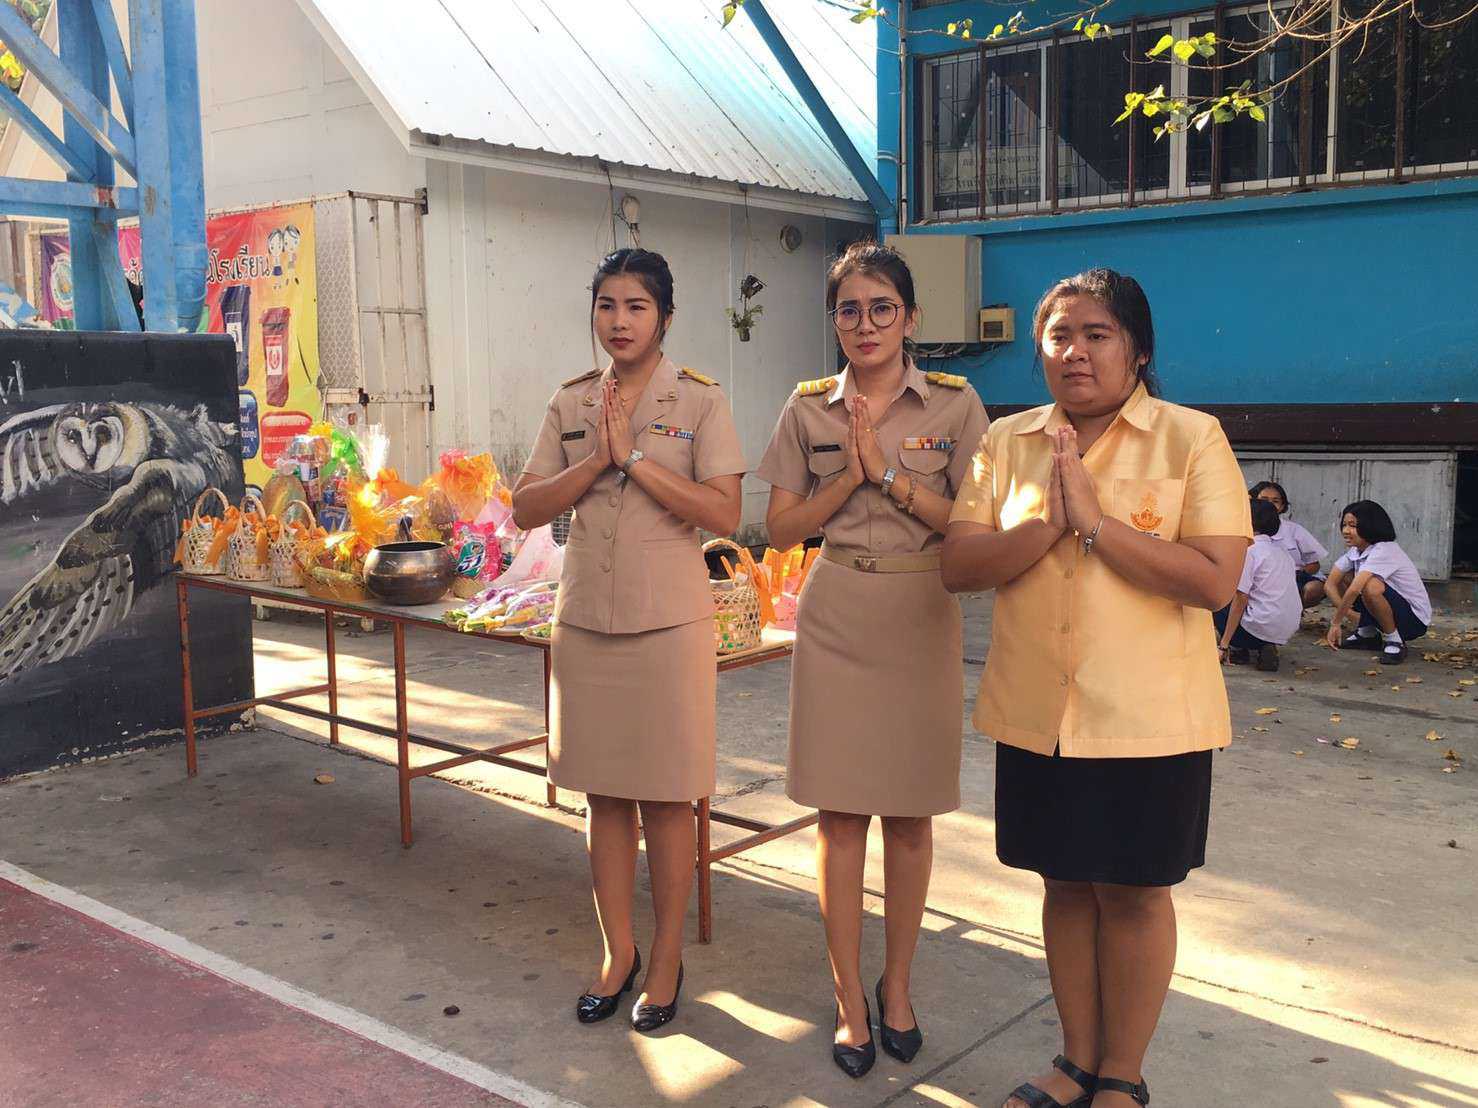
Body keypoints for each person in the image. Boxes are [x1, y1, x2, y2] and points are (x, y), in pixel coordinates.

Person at [941, 268, 1250, 1108]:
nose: (1074, 352)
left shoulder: (1191, 438)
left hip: (1151, 718)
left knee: (1137, 894)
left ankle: (1123, 1076)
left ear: (1137, 349)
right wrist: (1049, 520)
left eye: (1096, 334)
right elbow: (959, 564)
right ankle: (1077, 1060)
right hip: (1038, 713)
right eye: (1059, 336)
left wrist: (1098, 525)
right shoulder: (1009, 441)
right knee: (1065, 884)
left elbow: (1214, 581)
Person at [756, 241, 988, 1079]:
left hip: (921, 612)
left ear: (911, 318)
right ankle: (848, 998)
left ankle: (898, 987)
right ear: (835, 321)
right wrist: (843, 484)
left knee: (911, 815)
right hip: (837, 612)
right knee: (841, 816)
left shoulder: (957, 404)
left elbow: (977, 522)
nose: (865, 324)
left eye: (882, 307)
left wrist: (888, 476)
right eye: (848, 310)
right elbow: (781, 529)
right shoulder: (806, 408)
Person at [512, 248, 746, 1033]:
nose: (619, 320)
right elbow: (526, 506)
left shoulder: (701, 401)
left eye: (637, 306)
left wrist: (636, 460)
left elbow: (722, 511)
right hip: (586, 622)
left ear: (665, 317)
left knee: (668, 800)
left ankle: (668, 957)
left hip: (670, 625)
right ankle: (619, 952)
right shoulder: (572, 400)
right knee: (604, 797)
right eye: (607, 305)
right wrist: (595, 462)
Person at [1323, 499, 1431, 665]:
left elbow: (1354, 590)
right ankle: (1367, 633)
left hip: (1413, 620)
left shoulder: (1385, 549)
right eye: (1344, 525)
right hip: (1387, 612)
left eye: (1353, 526)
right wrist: (1351, 616)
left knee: (1370, 585)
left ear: (1370, 526)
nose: (1345, 531)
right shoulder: (1356, 551)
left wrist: (1336, 622)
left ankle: (1394, 640)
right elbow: (1330, 584)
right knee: (1346, 576)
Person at [1213, 498, 1302, 671]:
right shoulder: (1283, 553)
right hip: (1286, 628)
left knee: (1217, 599)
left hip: (1255, 627)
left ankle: (1238, 647)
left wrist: (1223, 645)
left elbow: (1241, 598)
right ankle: (1264, 645)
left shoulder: (1249, 552)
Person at [1248, 480, 1328, 608]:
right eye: (1264, 500)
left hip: (1294, 578)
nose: (1269, 505)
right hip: (1257, 578)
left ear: (1282, 506)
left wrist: (1292, 574)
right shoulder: (1243, 528)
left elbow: (1314, 564)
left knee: (1313, 588)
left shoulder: (1294, 530)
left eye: (1275, 501)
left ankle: (1295, 613)